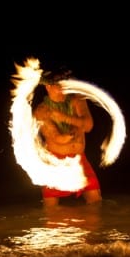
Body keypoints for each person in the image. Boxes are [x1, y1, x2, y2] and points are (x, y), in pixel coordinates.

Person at [34, 68, 102, 208]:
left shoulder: (77, 100)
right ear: (48, 87)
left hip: (79, 159)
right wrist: (76, 128)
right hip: (55, 163)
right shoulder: (42, 111)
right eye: (58, 87)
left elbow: (88, 125)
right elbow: (58, 138)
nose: (63, 91)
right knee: (51, 211)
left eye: (64, 86)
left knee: (96, 203)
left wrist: (64, 118)